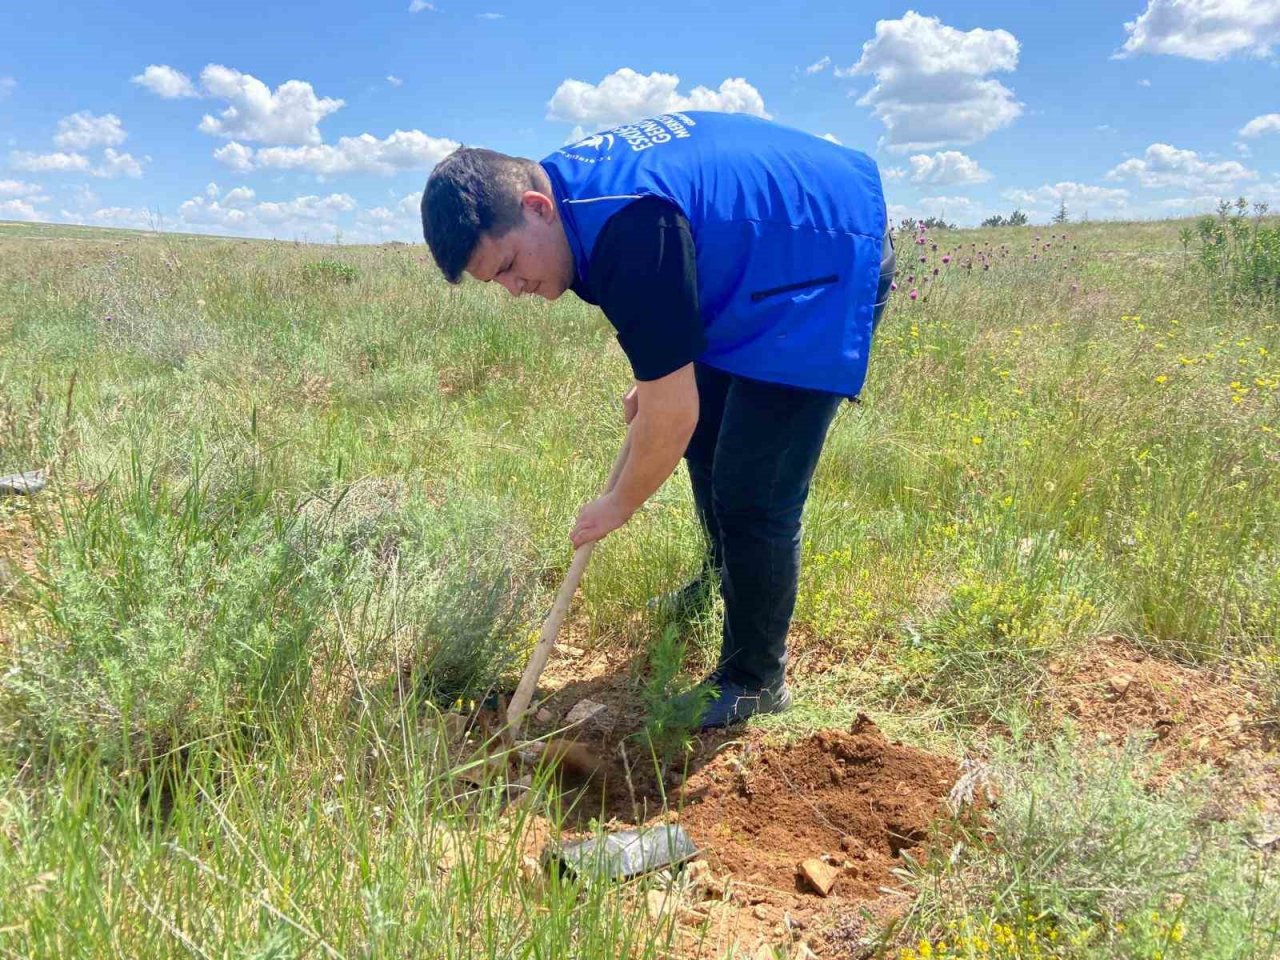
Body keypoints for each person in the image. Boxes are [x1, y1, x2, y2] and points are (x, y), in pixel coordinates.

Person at [421, 111, 895, 729]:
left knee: (754, 490)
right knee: (705, 441)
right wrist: (657, 380)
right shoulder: (576, 206)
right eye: (496, 282)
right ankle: (725, 581)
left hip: (821, 255)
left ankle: (755, 680)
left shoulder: (626, 227)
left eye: (508, 265)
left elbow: (671, 416)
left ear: (535, 207)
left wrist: (616, 503)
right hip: (754, 261)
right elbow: (671, 343)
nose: (513, 289)